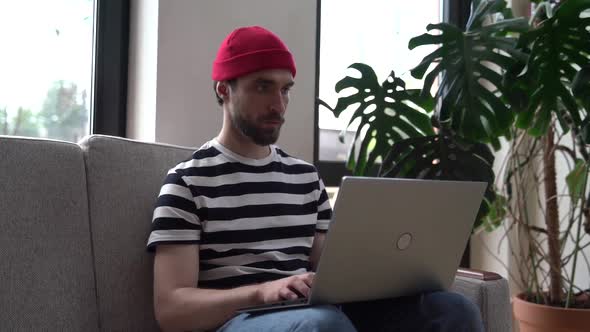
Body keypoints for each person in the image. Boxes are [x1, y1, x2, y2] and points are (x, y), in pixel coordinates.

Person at [147, 26, 484, 332]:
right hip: (240, 319)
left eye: (285, 90)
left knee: (452, 310)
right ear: (224, 90)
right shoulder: (187, 183)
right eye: (263, 87)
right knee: (323, 325)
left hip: (314, 313)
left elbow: (333, 272)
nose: (278, 104)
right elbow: (172, 310)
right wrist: (262, 293)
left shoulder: (305, 178)